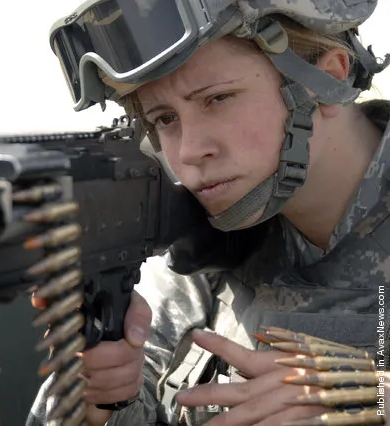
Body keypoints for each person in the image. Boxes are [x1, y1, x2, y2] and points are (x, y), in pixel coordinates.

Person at [27, 0, 390, 425]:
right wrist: (101, 407)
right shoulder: (204, 247)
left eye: (217, 99)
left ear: (326, 79)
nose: (188, 151)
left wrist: (372, 398)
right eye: (164, 118)